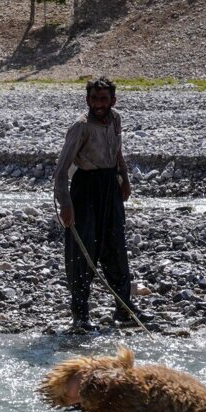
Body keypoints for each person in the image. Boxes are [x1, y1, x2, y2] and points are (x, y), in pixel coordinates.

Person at [55, 77, 147, 332]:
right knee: (82, 251)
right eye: (94, 99)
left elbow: (118, 152)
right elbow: (61, 171)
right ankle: (80, 315)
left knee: (116, 247)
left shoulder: (115, 118)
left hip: (110, 186)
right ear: (87, 100)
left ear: (112, 101)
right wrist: (66, 205)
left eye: (103, 99)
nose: (98, 104)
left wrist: (125, 179)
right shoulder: (80, 127)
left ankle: (124, 308)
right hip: (85, 190)